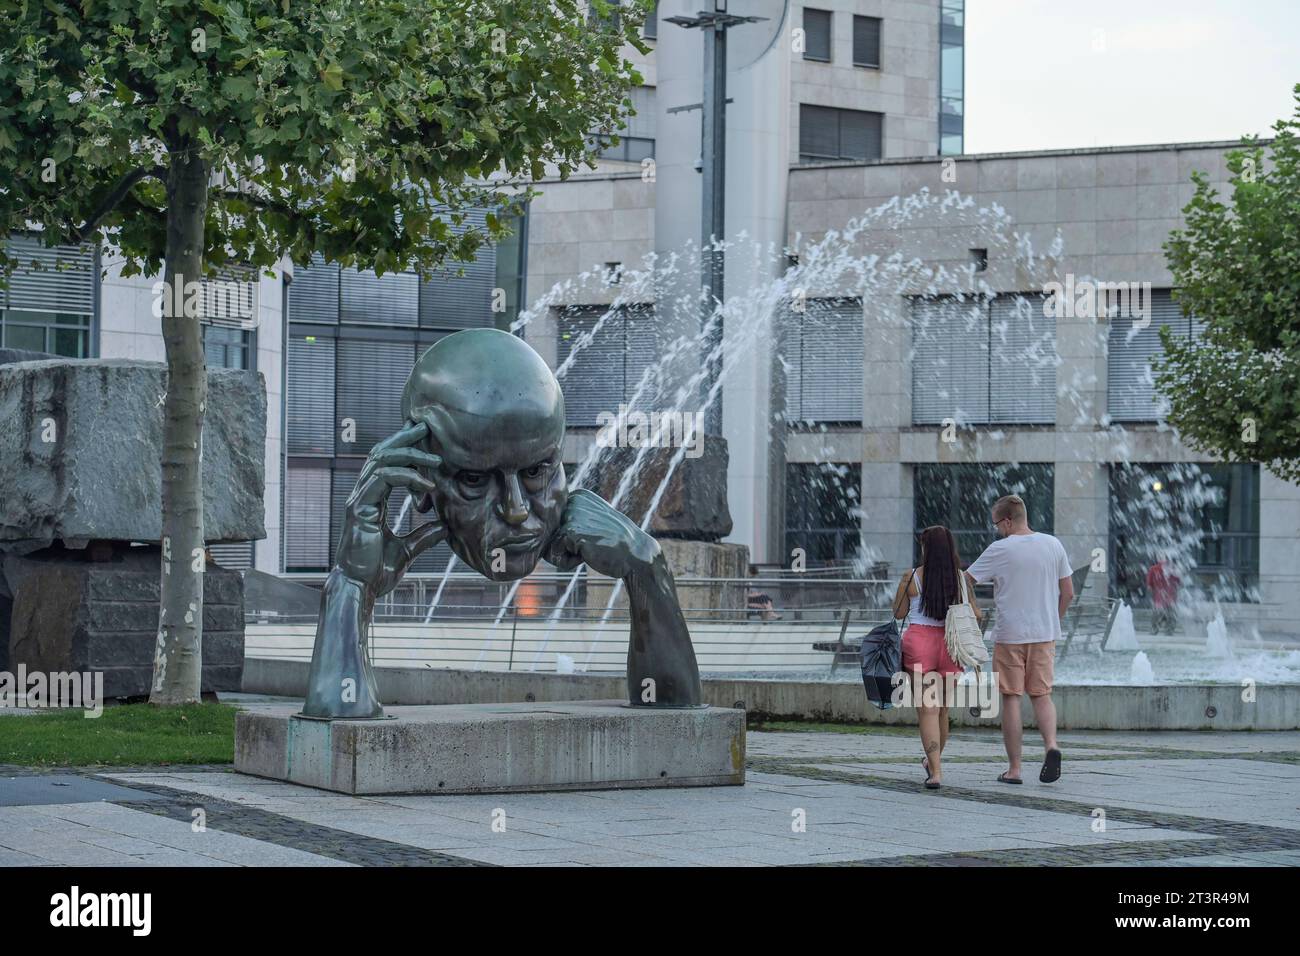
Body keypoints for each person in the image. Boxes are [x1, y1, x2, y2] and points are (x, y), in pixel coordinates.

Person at [966, 494, 1073, 785]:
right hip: (1044, 634)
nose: (997, 529)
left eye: (997, 524)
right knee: (1041, 694)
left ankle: (1014, 770)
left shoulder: (1000, 549)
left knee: (1011, 697)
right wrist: (1053, 619)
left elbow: (966, 580)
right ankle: (1051, 745)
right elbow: (1068, 592)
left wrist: (972, 609)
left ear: (1008, 521)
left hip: (1010, 634)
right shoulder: (1053, 544)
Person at [891, 525, 982, 790]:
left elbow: (898, 613)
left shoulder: (912, 577)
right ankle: (934, 764)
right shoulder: (960, 579)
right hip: (950, 645)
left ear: (925, 548)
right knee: (942, 711)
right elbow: (976, 614)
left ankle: (936, 772)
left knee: (927, 711)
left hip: (919, 644)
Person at [1146, 557, 1181, 636]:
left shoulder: (1153, 569)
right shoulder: (1173, 569)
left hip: (1160, 597)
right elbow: (1178, 583)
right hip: (1170, 597)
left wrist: (1153, 592)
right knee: (1171, 615)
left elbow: (1149, 586)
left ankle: (1154, 630)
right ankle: (1169, 631)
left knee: (1158, 614)